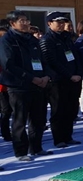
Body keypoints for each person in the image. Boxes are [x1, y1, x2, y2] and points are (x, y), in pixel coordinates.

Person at [0, 11, 54, 161]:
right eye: (21, 20)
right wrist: (31, 78)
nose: (26, 23)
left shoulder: (31, 39)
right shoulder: (7, 40)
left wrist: (46, 76)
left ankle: (36, 147)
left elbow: (43, 60)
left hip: (39, 84)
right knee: (20, 120)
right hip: (19, 86)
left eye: (26, 20)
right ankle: (21, 152)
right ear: (12, 23)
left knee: (38, 119)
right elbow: (9, 65)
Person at [40, 12, 83, 148]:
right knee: (59, 110)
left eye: (63, 22)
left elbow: (76, 57)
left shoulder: (67, 38)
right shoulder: (47, 40)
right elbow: (52, 61)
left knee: (71, 109)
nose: (61, 24)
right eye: (58, 22)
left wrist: (78, 73)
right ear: (49, 23)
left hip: (73, 80)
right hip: (58, 81)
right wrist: (69, 75)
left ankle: (68, 136)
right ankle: (59, 139)